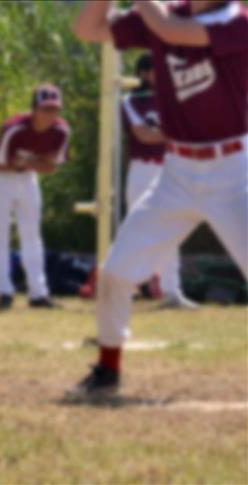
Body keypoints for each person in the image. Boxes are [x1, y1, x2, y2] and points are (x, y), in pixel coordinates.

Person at [71, 0, 247, 398]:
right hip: (176, 174)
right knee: (116, 272)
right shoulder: (163, 13)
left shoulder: (237, 20)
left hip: (234, 171)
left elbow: (172, 32)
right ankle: (107, 371)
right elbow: (87, 29)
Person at [0, 84, 71, 310]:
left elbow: (51, 167)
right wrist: (36, 162)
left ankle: (38, 293)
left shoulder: (61, 131)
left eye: (54, 109)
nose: (50, 115)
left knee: (32, 233)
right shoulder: (14, 129)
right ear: (34, 109)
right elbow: (2, 165)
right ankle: (4, 290)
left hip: (27, 175)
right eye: (45, 109)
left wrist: (28, 163)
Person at [121, 53, 197, 310]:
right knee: (136, 227)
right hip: (143, 168)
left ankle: (172, 290)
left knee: (172, 226)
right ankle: (127, 287)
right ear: (143, 73)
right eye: (156, 69)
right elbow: (143, 134)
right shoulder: (131, 101)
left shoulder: (174, 99)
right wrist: (174, 134)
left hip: (170, 166)